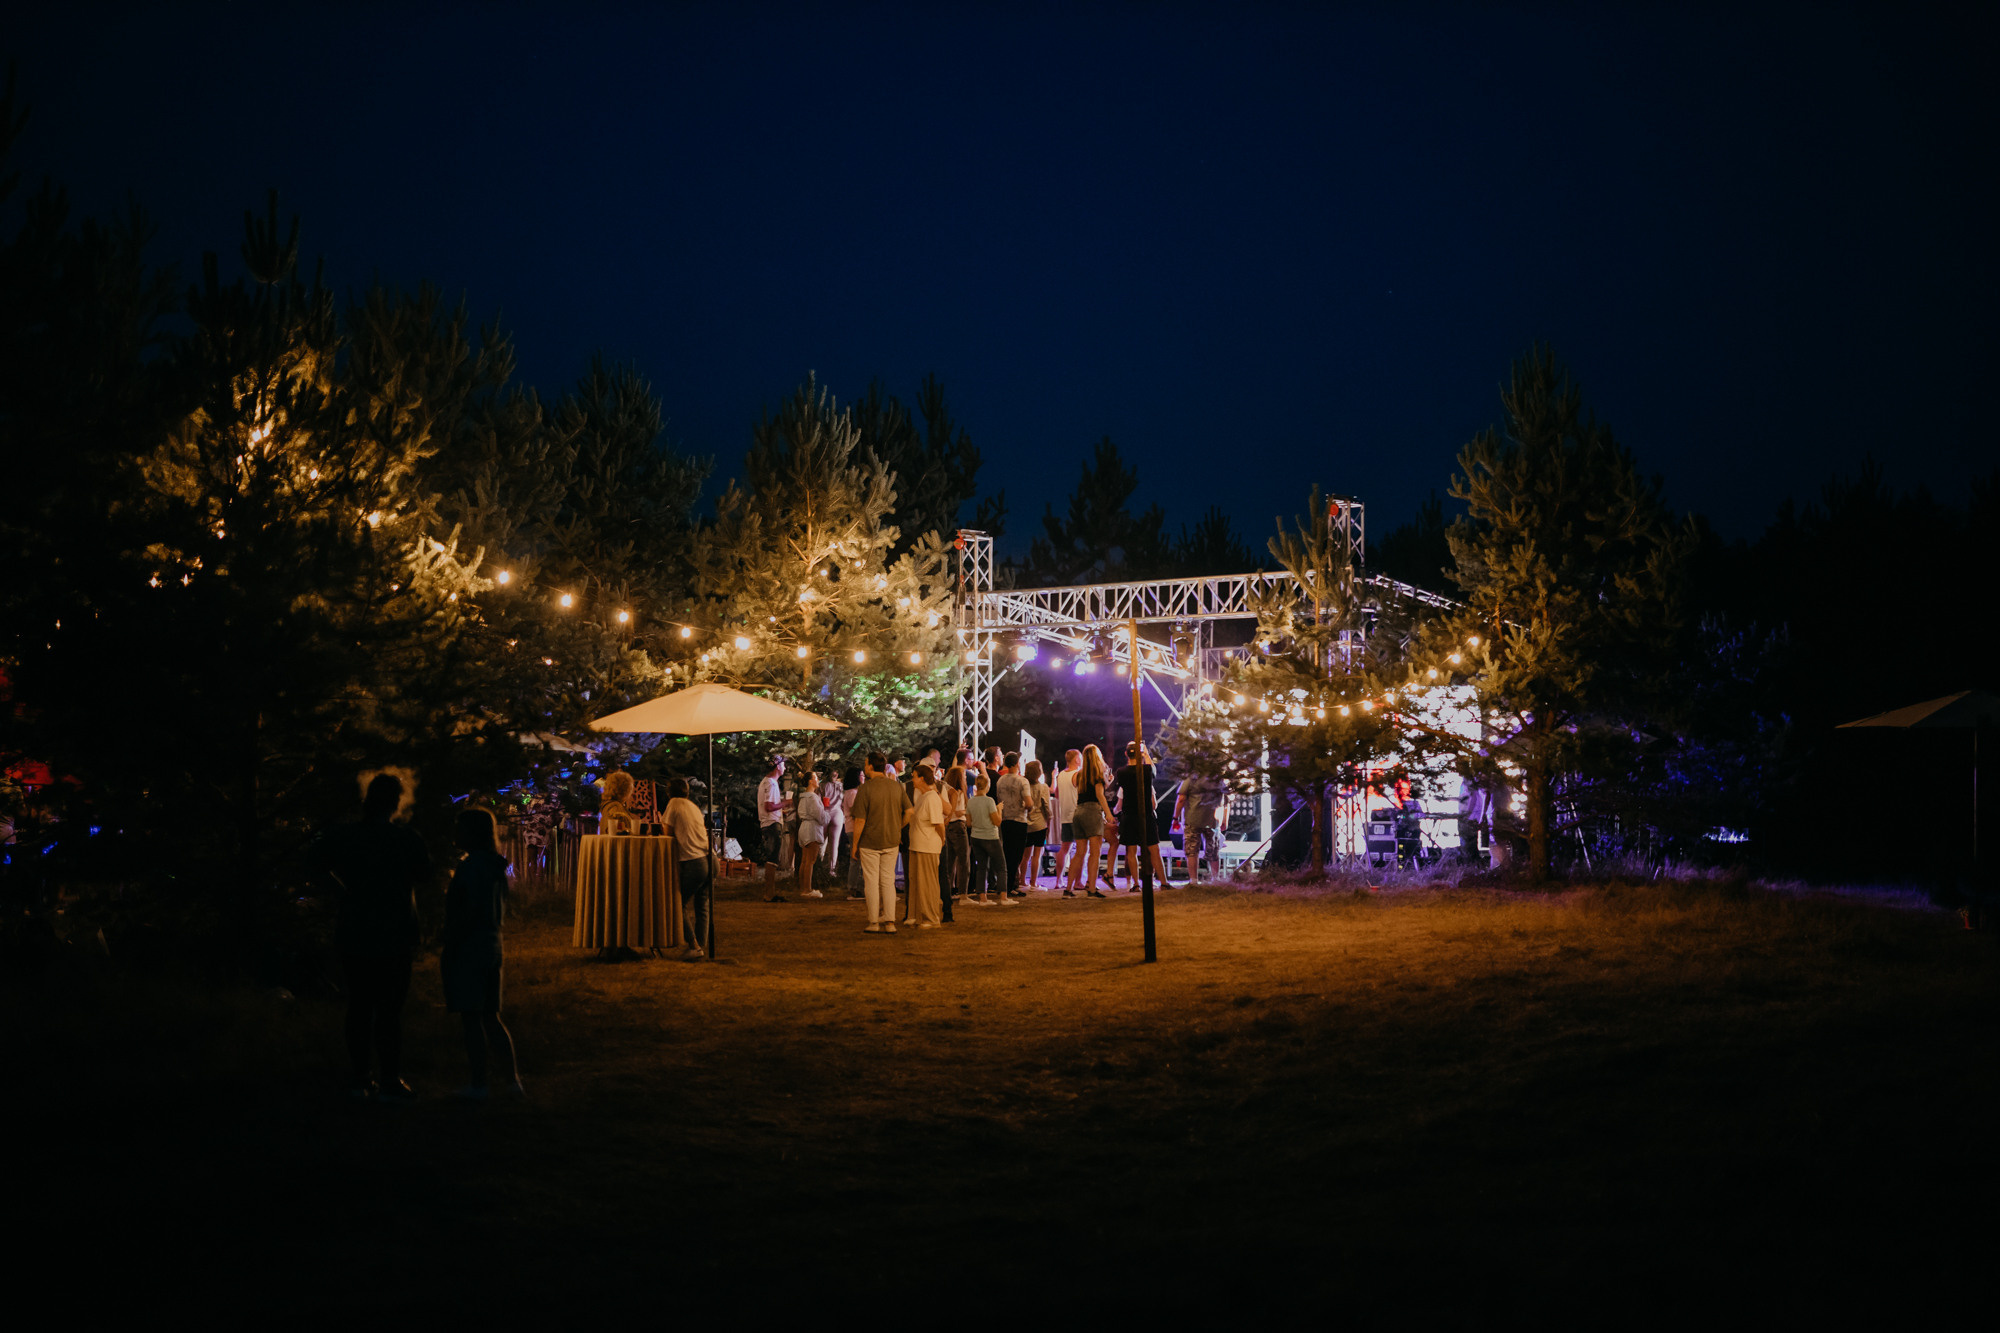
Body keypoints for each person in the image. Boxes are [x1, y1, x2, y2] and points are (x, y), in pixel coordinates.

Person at [309, 772, 431, 1101]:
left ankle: (360, 1078)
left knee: (360, 1006)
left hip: (356, 930)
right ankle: (390, 1079)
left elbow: (314, 865)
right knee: (389, 1010)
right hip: (395, 933)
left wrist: (342, 892)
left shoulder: (347, 836)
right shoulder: (405, 838)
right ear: (395, 802)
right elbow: (425, 874)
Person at [441, 807, 523, 1099]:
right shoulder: (494, 865)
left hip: (471, 945)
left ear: (471, 833)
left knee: (472, 1016)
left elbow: (467, 909)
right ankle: (512, 1082)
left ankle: (479, 1084)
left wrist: (452, 939)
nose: (455, 833)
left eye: (459, 828)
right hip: (492, 943)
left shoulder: (471, 867)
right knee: (490, 1016)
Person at [849, 751, 911, 933]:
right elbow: (910, 812)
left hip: (870, 841)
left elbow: (860, 820)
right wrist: (897, 827)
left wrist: (855, 844)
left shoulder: (865, 789)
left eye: (865, 764)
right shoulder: (896, 786)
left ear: (870, 766)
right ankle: (890, 922)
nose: (864, 767)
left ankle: (874, 922)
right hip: (891, 840)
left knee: (871, 882)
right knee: (888, 881)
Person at [663, 777, 712, 960]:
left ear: (669, 792)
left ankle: (694, 946)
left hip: (694, 861)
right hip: (710, 858)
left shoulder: (673, 804)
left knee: (677, 903)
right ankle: (700, 946)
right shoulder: (693, 806)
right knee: (702, 903)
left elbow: (668, 834)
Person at [1115, 741, 1169, 891]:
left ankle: (1136, 884)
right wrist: (1146, 754)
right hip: (1146, 815)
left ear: (1126, 754)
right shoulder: (1145, 770)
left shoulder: (1121, 772)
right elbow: (1153, 771)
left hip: (1129, 815)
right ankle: (1164, 883)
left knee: (1131, 851)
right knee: (1154, 850)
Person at [904, 763, 946, 928]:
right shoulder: (922, 797)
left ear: (922, 778)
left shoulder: (932, 798)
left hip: (927, 846)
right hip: (917, 845)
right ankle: (916, 915)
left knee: (927, 883)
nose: (912, 780)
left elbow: (939, 824)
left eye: (914, 776)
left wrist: (942, 840)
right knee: (916, 882)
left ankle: (931, 917)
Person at [1066, 745, 1109, 898]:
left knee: (1079, 853)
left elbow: (1083, 789)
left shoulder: (1079, 775)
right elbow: (1099, 794)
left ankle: (1068, 889)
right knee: (1095, 853)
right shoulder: (1097, 773)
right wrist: (1109, 814)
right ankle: (1091, 888)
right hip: (1092, 811)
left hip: (1078, 812)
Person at [965, 771, 1009, 905]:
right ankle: (1003, 897)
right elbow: (997, 821)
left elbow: (968, 823)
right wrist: (999, 809)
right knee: (1001, 867)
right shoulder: (990, 801)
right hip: (990, 837)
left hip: (975, 837)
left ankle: (982, 898)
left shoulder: (970, 801)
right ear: (987, 786)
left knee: (982, 867)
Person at [1176, 771, 1223, 884]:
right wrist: (1223, 820)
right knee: (1213, 850)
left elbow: (1181, 799)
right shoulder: (1217, 776)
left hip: (1193, 819)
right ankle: (1215, 879)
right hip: (1212, 819)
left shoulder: (1190, 777)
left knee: (1192, 850)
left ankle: (1193, 880)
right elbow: (1223, 799)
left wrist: (1175, 818)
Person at [996, 750, 1030, 896]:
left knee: (1006, 853)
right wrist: (1028, 806)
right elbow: (1029, 803)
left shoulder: (1000, 781)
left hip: (1004, 820)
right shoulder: (1022, 781)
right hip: (1019, 820)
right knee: (1016, 855)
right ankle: (1010, 886)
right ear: (1017, 764)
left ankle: (1004, 885)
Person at [941, 764, 970, 923]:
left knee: (950, 862)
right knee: (964, 861)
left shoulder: (946, 791)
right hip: (958, 826)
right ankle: (963, 893)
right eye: (964, 775)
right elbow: (958, 811)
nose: (965, 777)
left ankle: (948, 892)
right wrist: (966, 811)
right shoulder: (958, 793)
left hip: (949, 827)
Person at [1051, 749, 1081, 891]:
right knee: (1081, 849)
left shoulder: (1061, 775)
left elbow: (1057, 794)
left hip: (1064, 816)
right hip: (1077, 814)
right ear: (1076, 759)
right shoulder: (1078, 774)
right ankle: (1078, 881)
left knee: (1064, 848)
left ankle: (1059, 880)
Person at [795, 772, 829, 898]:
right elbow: (820, 816)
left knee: (805, 860)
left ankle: (803, 887)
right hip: (812, 829)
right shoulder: (813, 798)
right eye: (815, 777)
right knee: (810, 860)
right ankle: (807, 889)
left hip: (804, 828)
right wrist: (827, 814)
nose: (818, 780)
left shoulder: (803, 797)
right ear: (810, 781)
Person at [1022, 759, 1052, 888]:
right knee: (1037, 855)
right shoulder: (1043, 787)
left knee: (1025, 856)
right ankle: (1033, 882)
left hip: (1026, 824)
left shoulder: (1024, 786)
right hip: (1040, 824)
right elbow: (1047, 807)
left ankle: (1022, 880)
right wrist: (1049, 821)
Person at [757, 754, 787, 870]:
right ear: (778, 767)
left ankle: (769, 881)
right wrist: (785, 803)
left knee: (771, 858)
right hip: (772, 825)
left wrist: (780, 811)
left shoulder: (766, 781)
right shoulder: (771, 783)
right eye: (783, 765)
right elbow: (769, 807)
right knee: (772, 860)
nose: (785, 768)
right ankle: (769, 882)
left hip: (767, 823)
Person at [841, 767, 865, 897]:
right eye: (862, 775)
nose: (864, 777)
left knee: (856, 859)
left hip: (853, 828)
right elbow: (856, 811)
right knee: (855, 859)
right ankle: (853, 888)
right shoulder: (852, 793)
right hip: (854, 828)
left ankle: (855, 887)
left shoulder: (852, 792)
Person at [819, 765, 845, 876]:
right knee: (834, 845)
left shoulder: (822, 785)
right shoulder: (841, 786)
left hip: (825, 813)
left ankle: (818, 866)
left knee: (821, 842)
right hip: (837, 814)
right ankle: (832, 870)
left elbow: (818, 801)